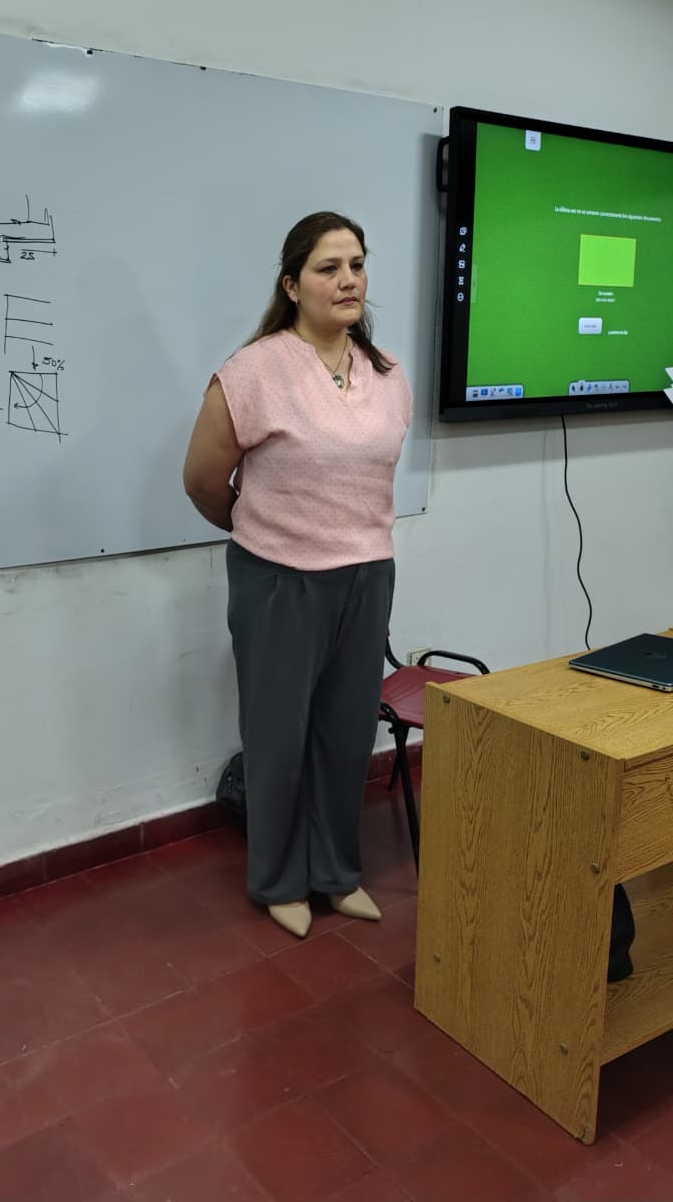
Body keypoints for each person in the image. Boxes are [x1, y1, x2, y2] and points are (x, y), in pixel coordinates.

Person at [183, 211, 413, 939]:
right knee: (279, 735)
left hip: (366, 575)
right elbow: (203, 481)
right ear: (291, 285)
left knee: (346, 734)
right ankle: (280, 879)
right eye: (328, 267)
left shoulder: (386, 374)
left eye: (357, 265)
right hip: (279, 579)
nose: (348, 280)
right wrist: (265, 533)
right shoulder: (255, 371)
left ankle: (336, 872)